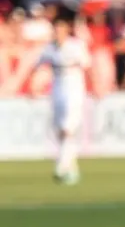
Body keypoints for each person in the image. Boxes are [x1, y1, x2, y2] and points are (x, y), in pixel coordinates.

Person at [33, 12, 91, 185]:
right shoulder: (49, 48)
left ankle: (60, 166)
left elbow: (87, 65)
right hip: (57, 85)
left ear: (67, 29)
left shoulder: (76, 45)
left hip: (73, 86)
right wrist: (34, 86)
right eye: (55, 29)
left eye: (61, 28)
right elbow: (37, 65)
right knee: (60, 129)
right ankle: (71, 168)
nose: (58, 32)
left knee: (68, 127)